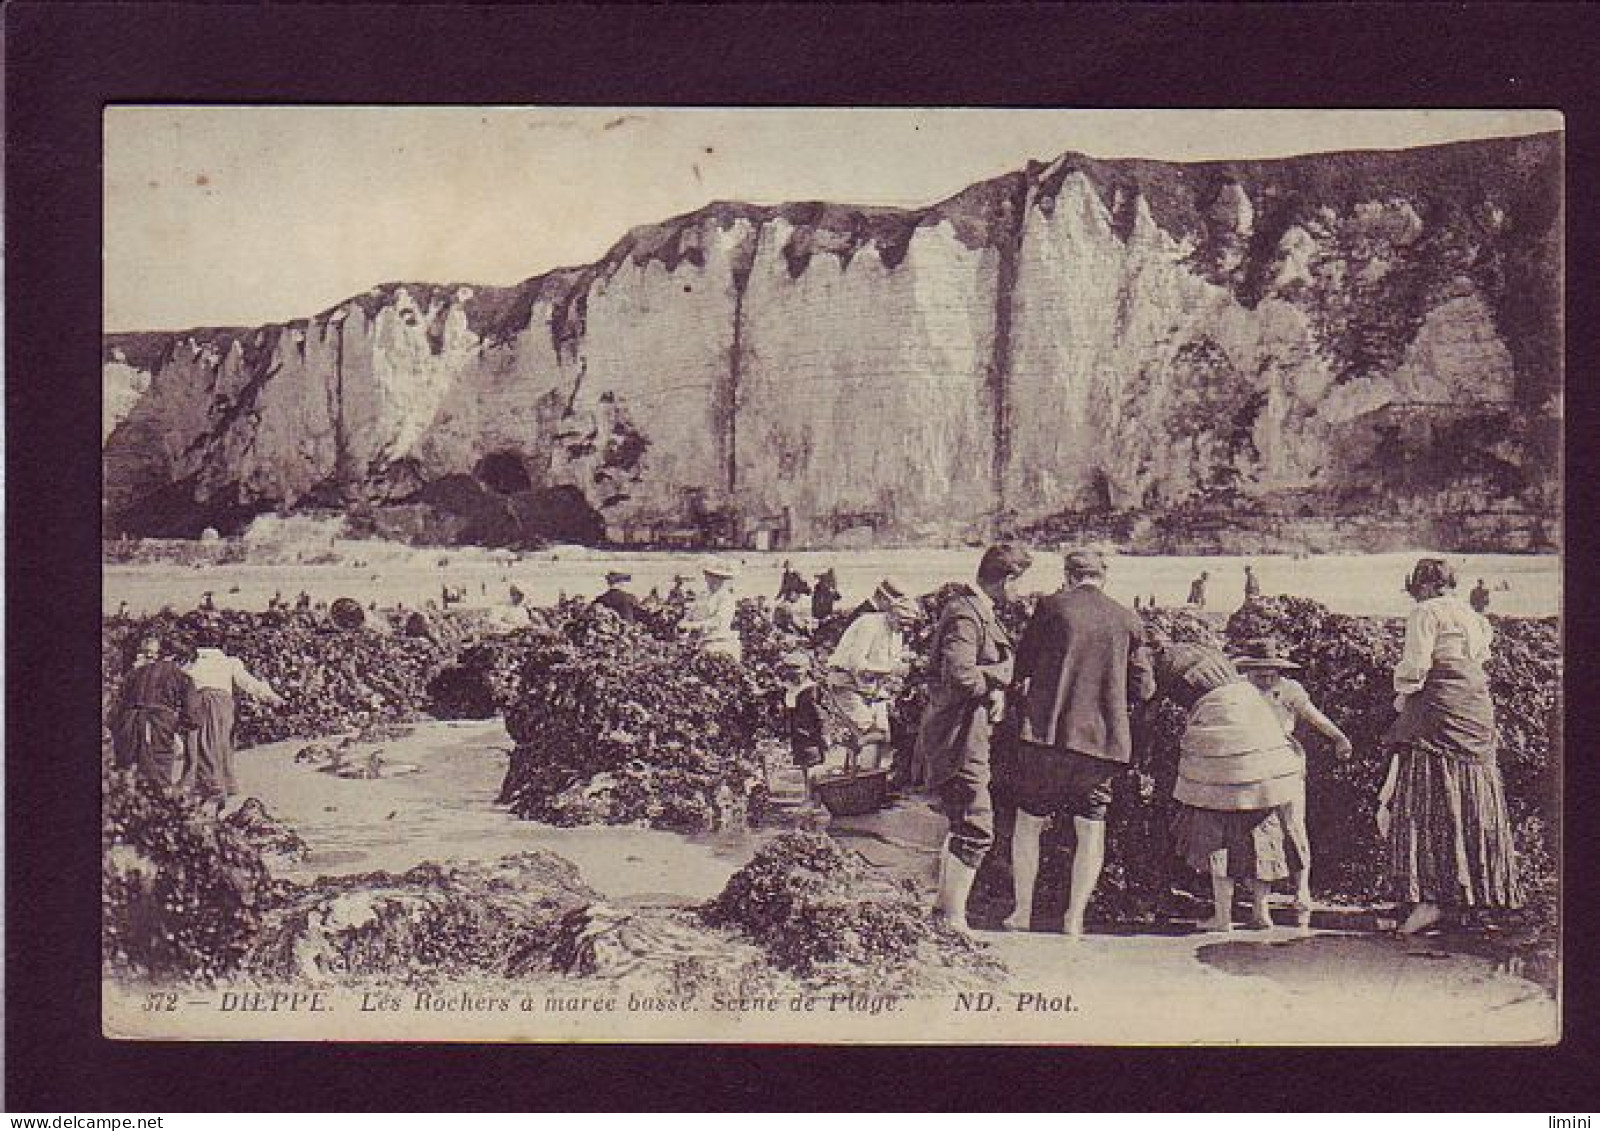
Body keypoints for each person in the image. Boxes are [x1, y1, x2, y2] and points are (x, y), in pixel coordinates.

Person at [1008, 548, 1156, 937]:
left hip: (1047, 737)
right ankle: (1074, 918)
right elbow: (1144, 687)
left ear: (1069, 575)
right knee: (1090, 829)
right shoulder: (1128, 618)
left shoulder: (1052, 607)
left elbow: (1020, 666)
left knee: (1029, 822)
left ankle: (1022, 912)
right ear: (1103, 577)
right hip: (1102, 744)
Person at [1377, 557, 1520, 934]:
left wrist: (1401, 697)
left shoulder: (1425, 612)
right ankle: (1475, 896)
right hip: (1474, 706)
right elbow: (1477, 660)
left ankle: (1429, 900)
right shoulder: (1474, 616)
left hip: (1439, 707)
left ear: (1422, 586)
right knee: (1473, 791)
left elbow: (1416, 667)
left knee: (1426, 796)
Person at [917, 544, 1033, 933]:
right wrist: (1003, 676)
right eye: (1019, 583)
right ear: (1007, 579)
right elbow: (961, 676)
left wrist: (993, 689)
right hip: (959, 734)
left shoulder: (972, 611)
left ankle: (943, 910)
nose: (1019, 593)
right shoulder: (966, 615)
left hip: (968, 731)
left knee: (961, 820)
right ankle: (953, 918)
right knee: (977, 824)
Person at [1158, 642, 1307, 932]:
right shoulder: (1246, 694)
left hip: (1220, 774)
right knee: (1263, 840)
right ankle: (1261, 911)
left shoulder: (1204, 686)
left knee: (1218, 843)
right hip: (1264, 770)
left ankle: (1223, 917)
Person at [1234, 636, 1353, 917]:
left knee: (1293, 824)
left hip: (1286, 762)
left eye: (1270, 671)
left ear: (1278, 669)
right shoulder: (1238, 691)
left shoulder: (1289, 690)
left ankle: (1301, 890)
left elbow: (1315, 717)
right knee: (1256, 829)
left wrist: (1339, 738)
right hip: (1250, 763)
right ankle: (1259, 901)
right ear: (1248, 669)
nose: (1264, 677)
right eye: (1258, 671)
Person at [182, 627, 286, 814]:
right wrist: (273, 698)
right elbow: (248, 683)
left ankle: (201, 793)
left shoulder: (191, 664)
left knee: (197, 749)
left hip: (195, 704)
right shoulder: (229, 662)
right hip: (222, 706)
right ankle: (218, 793)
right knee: (220, 748)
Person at [825, 579, 918, 774]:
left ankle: (867, 783)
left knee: (883, 736)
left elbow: (891, 662)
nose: (905, 629)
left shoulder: (897, 633)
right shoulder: (869, 624)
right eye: (902, 623)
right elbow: (856, 664)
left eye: (909, 625)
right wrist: (892, 669)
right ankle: (865, 786)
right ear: (891, 614)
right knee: (872, 735)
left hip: (870, 689)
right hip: (846, 685)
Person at [109, 634, 197, 792]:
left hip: (128, 725)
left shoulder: (133, 673)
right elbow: (192, 716)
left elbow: (116, 709)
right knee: (158, 776)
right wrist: (177, 728)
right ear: (178, 658)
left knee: (129, 775)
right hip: (158, 726)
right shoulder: (181, 676)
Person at [777, 650, 828, 795]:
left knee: (813, 766)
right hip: (798, 734)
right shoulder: (791, 690)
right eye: (790, 668)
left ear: (807, 669)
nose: (793, 672)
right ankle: (809, 794)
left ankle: (816, 797)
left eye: (797, 668)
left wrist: (823, 734)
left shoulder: (811, 689)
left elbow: (819, 714)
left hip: (810, 734)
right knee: (805, 766)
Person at [682, 557, 742, 661]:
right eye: (708, 575)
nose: (709, 579)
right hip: (701, 642)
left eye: (715, 576)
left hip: (719, 643)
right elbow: (691, 613)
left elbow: (718, 621)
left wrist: (694, 625)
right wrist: (684, 622)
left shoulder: (726, 598)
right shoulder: (704, 596)